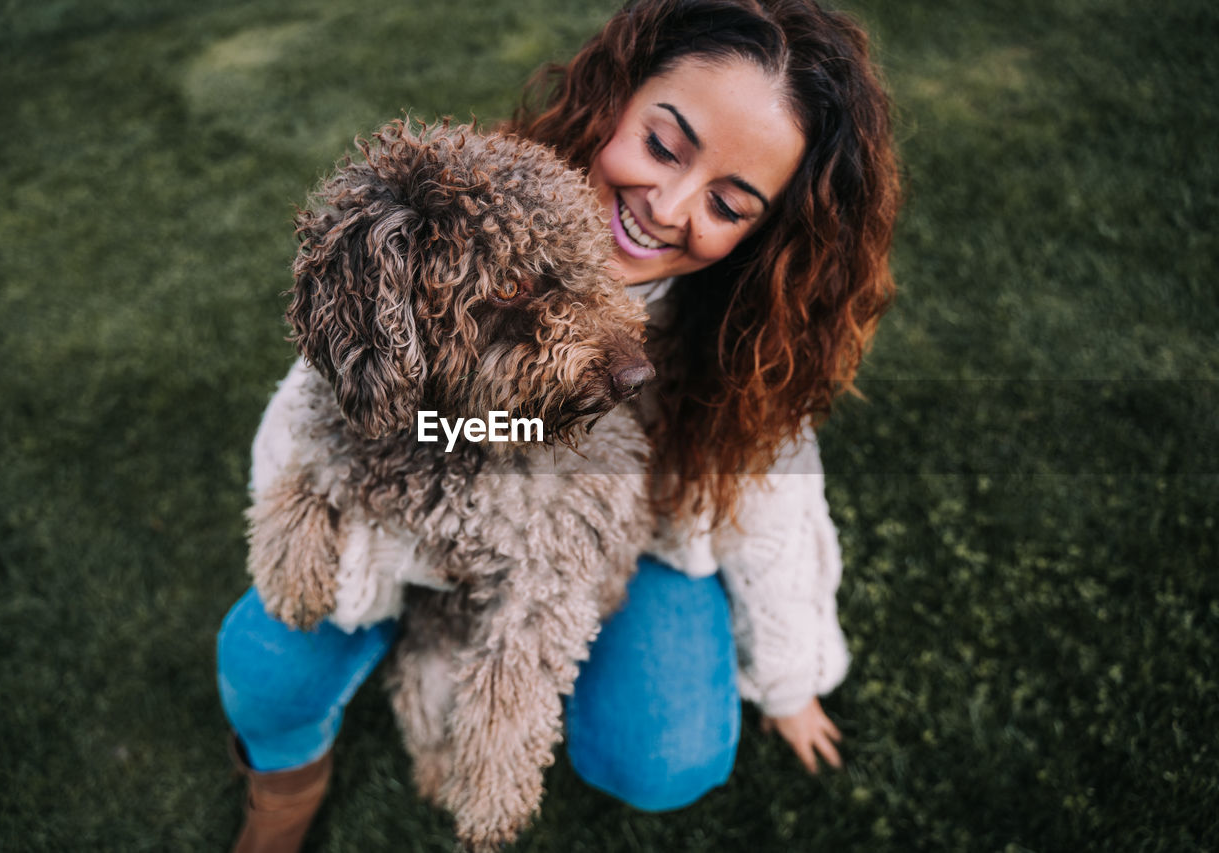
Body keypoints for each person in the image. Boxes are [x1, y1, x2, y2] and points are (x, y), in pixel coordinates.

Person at [216, 0, 899, 849]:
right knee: (267, 654)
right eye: (662, 145)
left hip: (628, 544)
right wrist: (393, 557)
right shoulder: (475, 207)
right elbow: (322, 417)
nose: (668, 206)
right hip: (415, 504)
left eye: (729, 202)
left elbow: (772, 498)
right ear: (618, 92)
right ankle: (285, 782)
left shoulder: (740, 331)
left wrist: (792, 677)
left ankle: (514, 666)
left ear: (767, 228)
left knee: (663, 755)